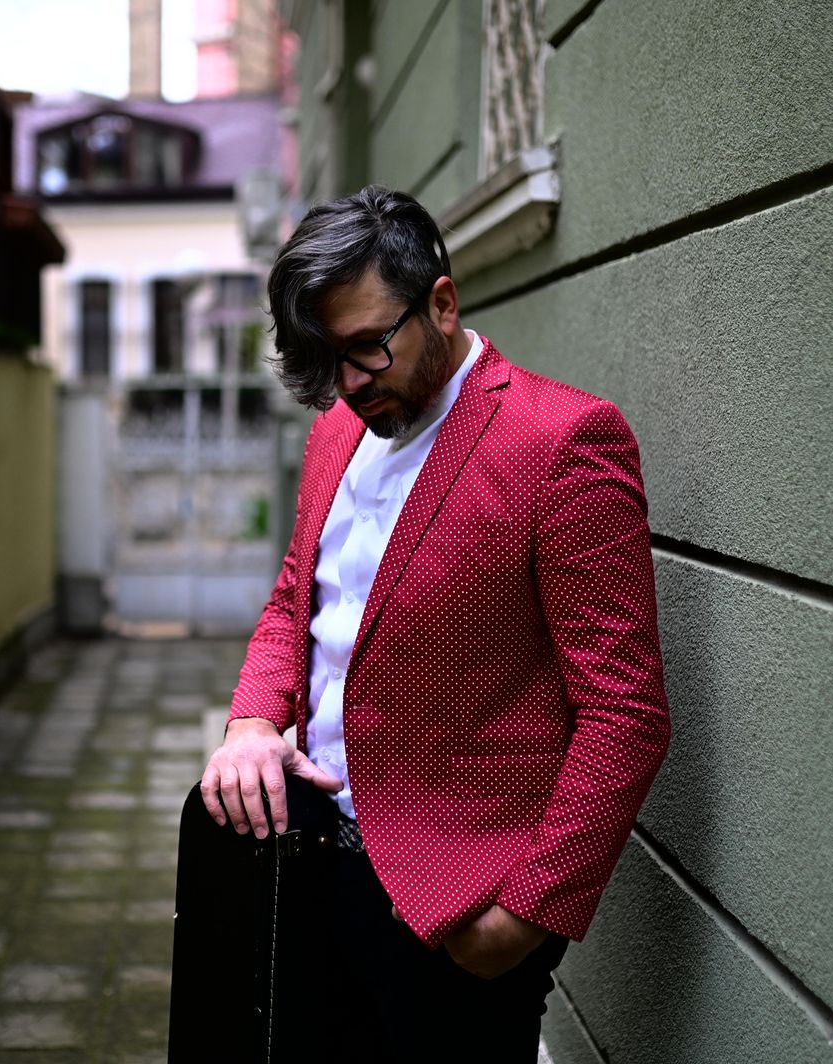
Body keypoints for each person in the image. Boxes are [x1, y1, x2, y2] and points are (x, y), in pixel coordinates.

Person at [199, 185, 671, 1061]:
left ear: (442, 305)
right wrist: (254, 721)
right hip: (312, 862)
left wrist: (524, 915)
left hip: (457, 909)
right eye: (327, 357)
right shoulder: (338, 432)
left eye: (367, 347)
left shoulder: (562, 443)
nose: (348, 382)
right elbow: (297, 595)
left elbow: (625, 714)